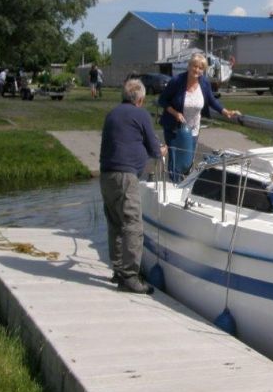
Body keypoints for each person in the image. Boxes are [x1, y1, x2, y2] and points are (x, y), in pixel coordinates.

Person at [99, 78, 167, 294]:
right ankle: (130, 276)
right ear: (140, 99)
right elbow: (154, 148)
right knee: (133, 225)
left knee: (116, 224)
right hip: (125, 177)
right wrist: (161, 151)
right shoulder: (141, 114)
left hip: (106, 175)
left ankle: (119, 271)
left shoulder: (113, 113)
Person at [158, 53, 241, 182]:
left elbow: (212, 101)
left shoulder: (204, 82)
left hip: (193, 129)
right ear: (189, 66)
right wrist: (175, 113)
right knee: (176, 161)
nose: (197, 70)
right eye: (194, 66)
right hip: (175, 128)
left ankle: (183, 187)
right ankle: (174, 185)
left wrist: (226, 112)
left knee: (188, 161)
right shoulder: (177, 81)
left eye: (200, 68)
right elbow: (162, 100)